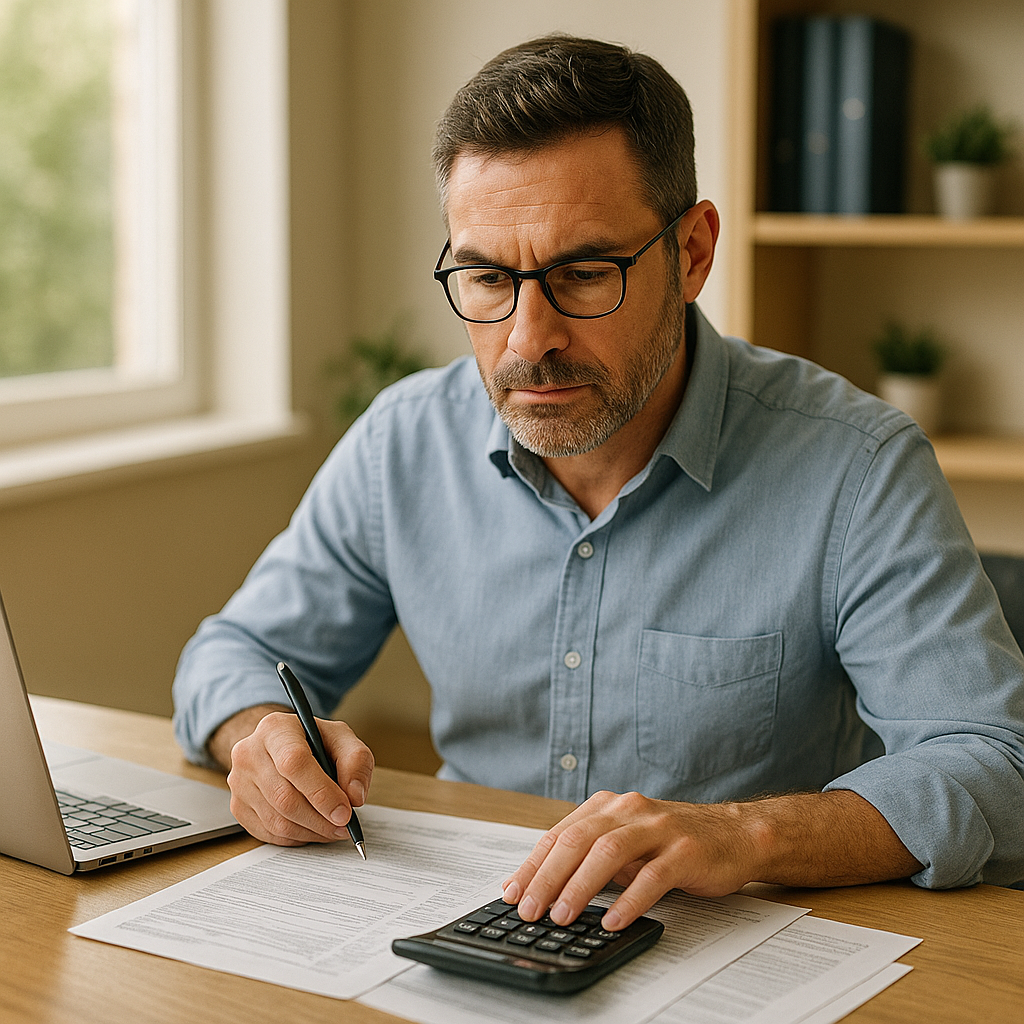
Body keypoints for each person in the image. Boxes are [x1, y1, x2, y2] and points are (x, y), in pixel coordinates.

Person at [173, 34, 1024, 931]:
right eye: (487, 277)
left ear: (692, 253)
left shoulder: (857, 466)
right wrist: (261, 739)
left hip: (736, 954)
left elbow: (995, 762)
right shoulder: (403, 443)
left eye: (582, 274)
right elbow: (229, 656)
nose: (525, 338)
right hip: (464, 927)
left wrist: (744, 835)